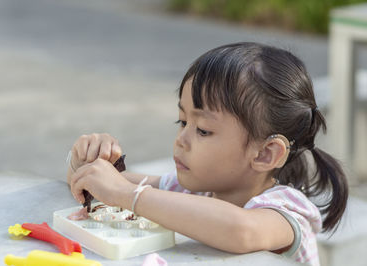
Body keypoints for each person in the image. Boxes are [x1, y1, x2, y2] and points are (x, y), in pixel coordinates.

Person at [67, 42, 348, 266]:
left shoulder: (286, 211)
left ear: (265, 154)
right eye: (182, 122)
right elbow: (107, 184)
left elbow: (240, 230)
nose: (181, 139)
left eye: (202, 130)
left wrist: (129, 196)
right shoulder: (192, 191)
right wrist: (87, 162)